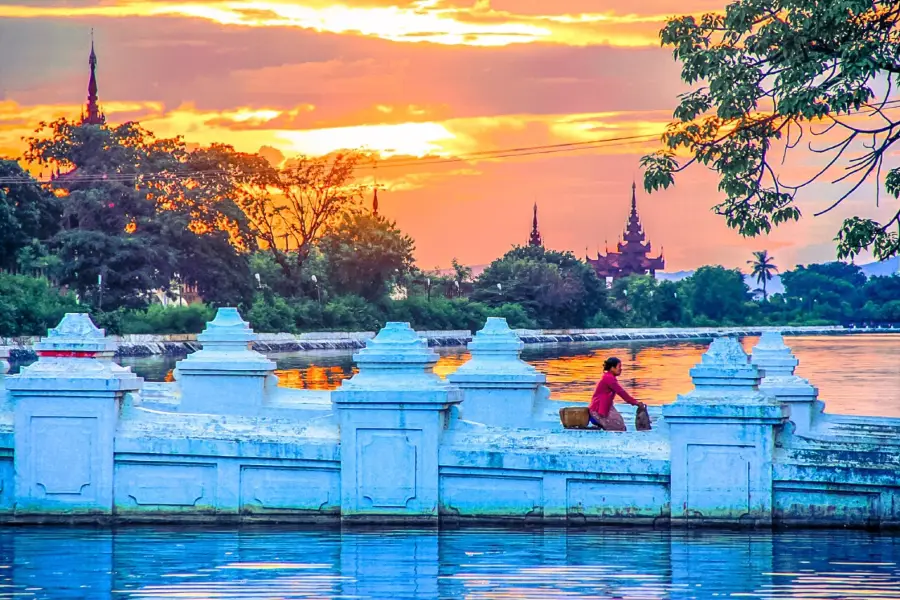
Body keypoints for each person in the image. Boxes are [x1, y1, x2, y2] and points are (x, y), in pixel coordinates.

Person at [589, 357, 644, 432]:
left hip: (606, 407)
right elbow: (621, 393)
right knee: (619, 426)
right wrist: (635, 402)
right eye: (619, 367)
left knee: (620, 424)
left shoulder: (610, 377)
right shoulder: (608, 378)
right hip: (598, 409)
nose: (620, 369)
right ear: (612, 368)